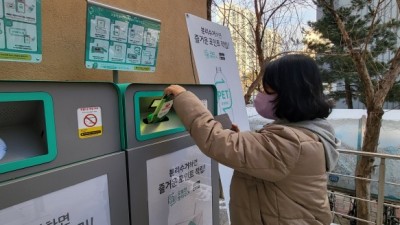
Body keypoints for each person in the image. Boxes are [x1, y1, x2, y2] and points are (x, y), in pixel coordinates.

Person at [164, 54, 340, 225]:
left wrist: (183, 98)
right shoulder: (312, 132)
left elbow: (216, 141)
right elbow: (260, 153)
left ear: (289, 93)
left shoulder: (291, 142)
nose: (261, 95)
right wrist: (238, 137)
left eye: (268, 90)